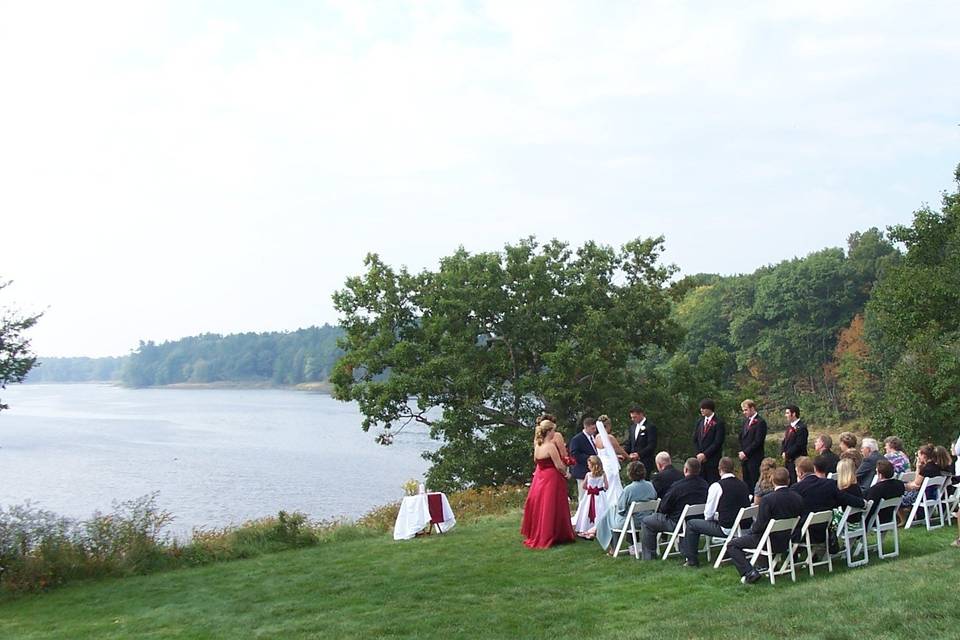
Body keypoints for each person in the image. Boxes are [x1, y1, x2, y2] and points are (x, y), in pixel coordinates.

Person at [727, 467, 805, 584]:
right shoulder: (797, 497)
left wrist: (751, 531)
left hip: (768, 540)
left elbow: (760, 525)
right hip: (788, 539)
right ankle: (765, 566)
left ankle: (749, 572)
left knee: (732, 545)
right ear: (788, 480)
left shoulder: (768, 500)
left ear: (772, 481)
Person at [680, 457, 752, 567]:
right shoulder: (743, 484)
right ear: (733, 469)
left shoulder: (717, 486)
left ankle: (691, 560)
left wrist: (714, 518)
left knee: (692, 524)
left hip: (728, 528)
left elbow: (708, 514)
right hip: (745, 527)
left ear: (719, 469)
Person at [521, 419, 576, 548]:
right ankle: (555, 534)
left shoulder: (538, 445)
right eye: (553, 430)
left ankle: (541, 532)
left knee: (542, 505)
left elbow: (536, 460)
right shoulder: (550, 446)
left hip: (540, 477)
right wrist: (566, 474)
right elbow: (559, 465)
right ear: (549, 431)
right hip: (552, 478)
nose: (554, 433)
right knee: (553, 505)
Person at [640, 458, 709, 560]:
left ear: (685, 470)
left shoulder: (678, 487)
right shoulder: (705, 485)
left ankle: (649, 556)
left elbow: (664, 507)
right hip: (699, 521)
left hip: (678, 523)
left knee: (647, 521)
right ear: (699, 470)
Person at [792, 456, 864, 543]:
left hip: (805, 533)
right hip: (826, 531)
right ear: (813, 469)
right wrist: (863, 503)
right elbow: (846, 498)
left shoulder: (796, 489)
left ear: (800, 473)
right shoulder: (829, 484)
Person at [595, 461, 657, 553]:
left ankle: (613, 548)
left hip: (633, 521)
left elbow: (621, 508)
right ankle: (632, 545)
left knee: (610, 517)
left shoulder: (629, 489)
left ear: (630, 474)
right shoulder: (650, 486)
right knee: (614, 514)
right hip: (648, 519)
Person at [572, 456, 607, 538]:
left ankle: (586, 527)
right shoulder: (603, 474)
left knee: (586, 511)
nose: (588, 466)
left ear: (592, 466)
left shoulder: (588, 475)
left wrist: (589, 488)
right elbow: (607, 486)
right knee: (600, 511)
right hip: (600, 496)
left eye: (588, 465)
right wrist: (600, 489)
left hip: (589, 496)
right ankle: (598, 528)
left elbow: (583, 486)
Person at [737, 399, 767, 493]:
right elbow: (741, 438)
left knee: (755, 481)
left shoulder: (760, 422)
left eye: (746, 410)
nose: (744, 412)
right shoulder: (745, 422)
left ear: (752, 408)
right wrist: (741, 452)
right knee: (746, 481)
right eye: (743, 410)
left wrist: (746, 452)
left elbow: (758, 441)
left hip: (754, 458)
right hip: (745, 458)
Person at [594, 415, 625, 508]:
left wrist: (616, 456)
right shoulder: (609, 437)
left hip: (603, 464)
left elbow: (605, 452)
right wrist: (627, 456)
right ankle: (614, 506)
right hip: (610, 466)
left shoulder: (597, 437)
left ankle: (605, 505)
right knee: (613, 486)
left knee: (606, 486)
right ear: (608, 426)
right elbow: (619, 449)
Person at [694, 398, 725, 484]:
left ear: (709, 409)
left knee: (712, 483)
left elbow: (718, 442)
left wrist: (705, 454)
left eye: (703, 408)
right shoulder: (699, 422)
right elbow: (695, 439)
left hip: (712, 460)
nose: (701, 410)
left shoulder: (718, 423)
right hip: (700, 461)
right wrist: (698, 454)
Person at [865, 459, 905, 525]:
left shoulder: (876, 489)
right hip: (890, 517)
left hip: (875, 519)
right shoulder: (900, 484)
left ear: (880, 474)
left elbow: (870, 509)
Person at [901, 445, 941, 511]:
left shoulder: (927, 469)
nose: (918, 457)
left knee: (896, 494)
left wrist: (918, 467)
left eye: (918, 454)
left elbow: (916, 484)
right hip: (933, 495)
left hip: (922, 496)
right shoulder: (936, 466)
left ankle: (904, 517)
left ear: (923, 455)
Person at [569, 416, 599, 502]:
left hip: (594, 471)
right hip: (582, 470)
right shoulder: (577, 439)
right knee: (583, 496)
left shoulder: (594, 438)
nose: (594, 430)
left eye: (595, 428)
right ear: (586, 427)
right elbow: (574, 454)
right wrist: (590, 458)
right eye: (592, 428)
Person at [624, 406, 657, 475]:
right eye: (631, 417)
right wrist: (624, 454)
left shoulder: (650, 426)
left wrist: (639, 454)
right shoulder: (632, 427)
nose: (633, 419)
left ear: (641, 414)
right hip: (633, 462)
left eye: (634, 417)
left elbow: (652, 445)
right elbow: (629, 443)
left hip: (645, 461)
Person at [780, 405, 808, 485]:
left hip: (797, 461)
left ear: (794, 414)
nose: (786, 415)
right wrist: (783, 451)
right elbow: (785, 441)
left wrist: (788, 453)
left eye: (787, 413)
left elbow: (799, 445)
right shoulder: (789, 427)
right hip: (788, 461)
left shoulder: (801, 427)